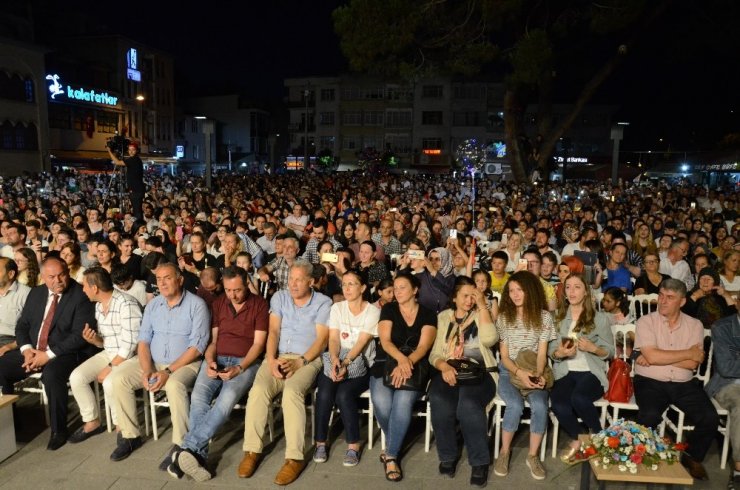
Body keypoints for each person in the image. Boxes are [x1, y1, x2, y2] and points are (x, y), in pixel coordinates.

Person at [168, 266, 268, 482]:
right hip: (218, 357)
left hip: (246, 362)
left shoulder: (259, 304)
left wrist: (240, 368)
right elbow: (213, 342)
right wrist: (210, 360)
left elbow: (258, 345)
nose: (233, 295)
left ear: (247, 284)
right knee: (198, 397)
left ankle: (186, 448)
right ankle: (196, 457)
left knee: (226, 400)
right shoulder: (220, 302)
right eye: (229, 290)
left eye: (238, 290)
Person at [238, 261, 331, 486]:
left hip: (307, 359)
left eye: (299, 280)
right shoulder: (279, 298)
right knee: (259, 390)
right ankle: (252, 451)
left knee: (291, 393)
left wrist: (301, 362)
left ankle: (294, 458)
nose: (293, 284)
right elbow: (273, 331)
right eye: (291, 279)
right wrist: (270, 360)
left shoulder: (323, 302)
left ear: (311, 281)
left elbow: (321, 340)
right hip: (279, 356)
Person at [108, 262, 210, 465]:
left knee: (174, 384)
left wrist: (169, 371)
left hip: (185, 364)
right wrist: (147, 370)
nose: (162, 283)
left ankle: (182, 445)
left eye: (168, 278)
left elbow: (197, 348)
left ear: (180, 280)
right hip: (153, 361)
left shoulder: (197, 305)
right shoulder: (153, 305)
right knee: (118, 378)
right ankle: (130, 436)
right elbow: (143, 341)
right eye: (159, 279)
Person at [0, 256, 95, 450]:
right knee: (1, 365)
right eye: (52, 277)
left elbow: (79, 336)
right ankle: (10, 421)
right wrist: (26, 351)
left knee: (51, 374)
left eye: (62, 275)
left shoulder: (80, 295)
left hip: (67, 352)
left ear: (68, 273)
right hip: (34, 350)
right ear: (43, 277)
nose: (58, 281)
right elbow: (22, 326)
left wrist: (47, 355)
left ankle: (58, 430)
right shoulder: (36, 294)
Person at [633, 278, 719, 481]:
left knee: (710, 418)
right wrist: (686, 353)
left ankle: (692, 457)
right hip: (650, 381)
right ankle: (641, 456)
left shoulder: (695, 325)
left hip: (684, 383)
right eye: (661, 295)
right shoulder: (645, 321)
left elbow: (692, 364)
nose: (663, 301)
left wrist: (656, 356)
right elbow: (665, 358)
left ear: (682, 301)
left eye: (669, 297)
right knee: (649, 416)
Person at [429, 276, 498, 487]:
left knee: (468, 405)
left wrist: (483, 307)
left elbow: (489, 340)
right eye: (465, 295)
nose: (469, 300)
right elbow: (434, 354)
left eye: (473, 295)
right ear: (454, 297)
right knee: (439, 399)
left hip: (480, 372)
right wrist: (444, 366)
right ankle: (448, 454)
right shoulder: (444, 317)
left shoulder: (480, 315)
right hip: (450, 370)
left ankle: (479, 461)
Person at [370, 273, 436, 483]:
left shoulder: (427, 313)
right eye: (395, 288)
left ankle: (391, 456)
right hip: (386, 362)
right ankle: (395, 441)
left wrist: (408, 362)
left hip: (415, 365)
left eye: (402, 287)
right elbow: (385, 341)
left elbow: (424, 346)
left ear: (415, 290)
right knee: (381, 402)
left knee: (403, 402)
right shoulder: (389, 309)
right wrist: (401, 359)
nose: (396, 292)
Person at [493, 270, 556, 481]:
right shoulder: (504, 318)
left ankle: (532, 456)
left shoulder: (544, 317)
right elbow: (504, 357)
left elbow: (541, 353)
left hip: (533, 369)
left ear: (530, 291)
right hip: (509, 370)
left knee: (540, 405)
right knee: (515, 405)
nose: (515, 294)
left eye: (520, 290)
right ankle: (504, 452)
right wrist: (520, 372)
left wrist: (537, 374)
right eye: (511, 290)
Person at [68, 267, 142, 443]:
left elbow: (131, 344)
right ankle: (92, 421)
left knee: (109, 382)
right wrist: (94, 340)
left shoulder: (126, 303)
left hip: (131, 357)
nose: (83, 290)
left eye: (85, 286)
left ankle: (122, 428)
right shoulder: (99, 306)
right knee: (76, 377)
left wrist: (110, 367)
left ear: (95, 288)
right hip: (109, 352)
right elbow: (106, 342)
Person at [313, 270, 380, 467]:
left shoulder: (373, 311)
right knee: (324, 392)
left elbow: (361, 342)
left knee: (343, 394)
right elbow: (333, 338)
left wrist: (345, 363)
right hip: (339, 358)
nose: (347, 288)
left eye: (352, 284)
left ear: (363, 288)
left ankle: (353, 445)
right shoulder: (337, 308)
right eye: (344, 284)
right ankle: (320, 442)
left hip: (361, 364)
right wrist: (334, 359)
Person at [548, 273, 614, 462]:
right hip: (565, 371)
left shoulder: (599, 318)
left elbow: (610, 351)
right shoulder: (558, 318)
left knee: (579, 398)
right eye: (568, 287)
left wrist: (594, 348)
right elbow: (551, 350)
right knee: (559, 404)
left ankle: (600, 438)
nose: (572, 291)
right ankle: (579, 438)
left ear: (586, 292)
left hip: (590, 372)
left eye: (577, 287)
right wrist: (559, 353)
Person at [705, 313, 740, 489]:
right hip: (729, 384)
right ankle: (738, 471)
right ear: (738, 303)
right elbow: (726, 368)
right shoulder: (722, 327)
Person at [0, 257, 31, 353]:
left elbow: (34, 328)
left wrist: (12, 346)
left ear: (11, 274)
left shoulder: (27, 294)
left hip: (10, 341)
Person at [108, 141, 145, 220]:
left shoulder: (133, 160)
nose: (131, 151)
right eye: (129, 149)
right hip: (137, 189)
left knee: (137, 211)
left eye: (133, 150)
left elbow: (117, 162)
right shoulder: (136, 160)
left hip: (136, 190)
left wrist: (109, 151)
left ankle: (138, 225)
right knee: (136, 210)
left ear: (136, 151)